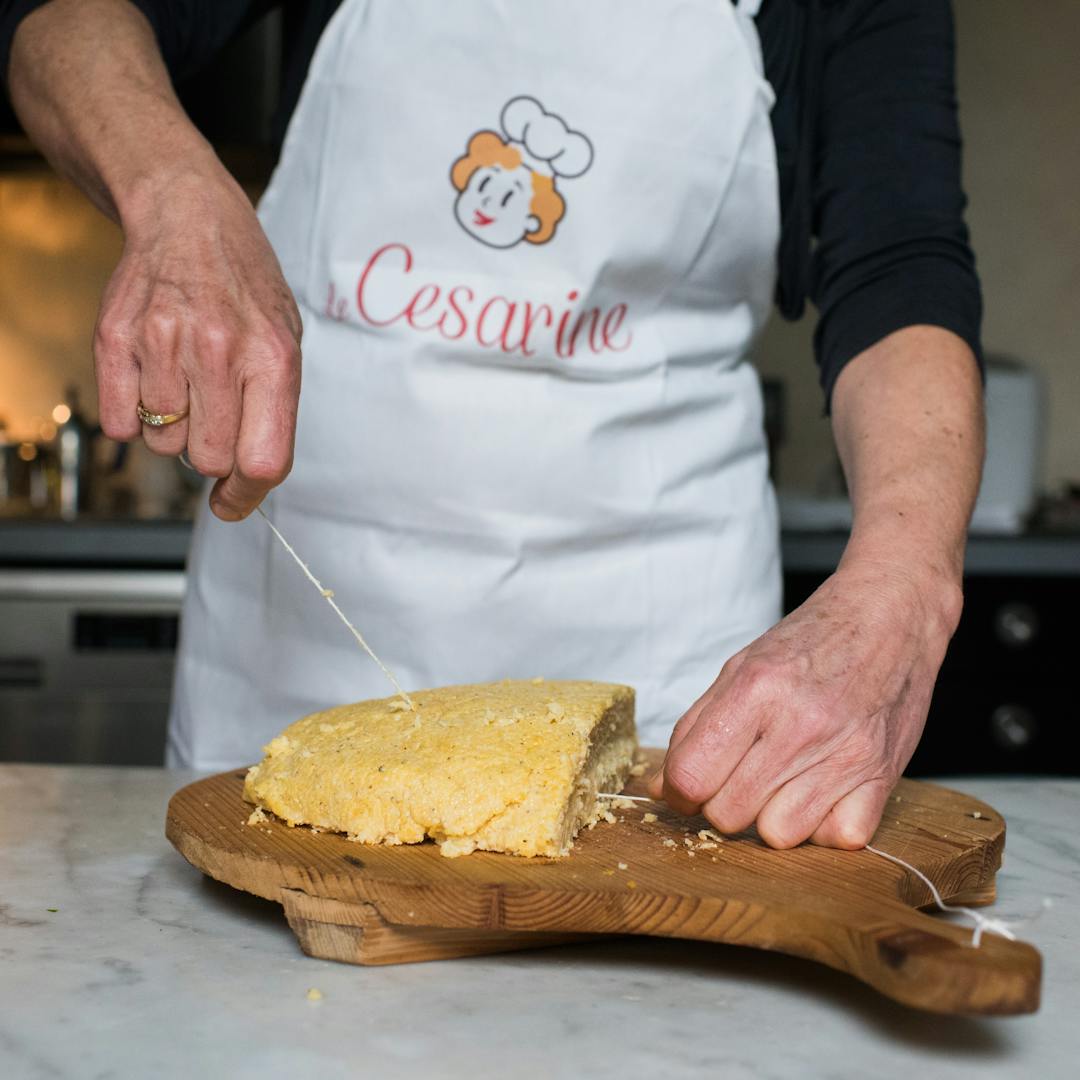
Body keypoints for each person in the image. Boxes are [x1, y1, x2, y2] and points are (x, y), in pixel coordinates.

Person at [2, 0, 985, 850]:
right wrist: (172, 185)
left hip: (658, 673)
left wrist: (909, 579)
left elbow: (899, 269)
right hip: (302, 658)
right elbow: (56, 17)